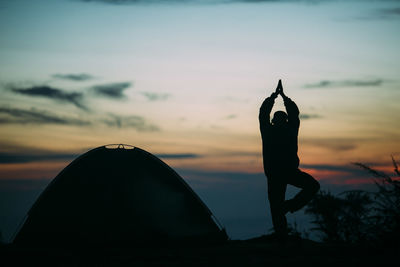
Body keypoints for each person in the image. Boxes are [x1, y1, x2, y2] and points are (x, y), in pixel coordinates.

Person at [259, 79, 320, 238]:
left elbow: (264, 113)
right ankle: (282, 235)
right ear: (276, 121)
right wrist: (281, 97)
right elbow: (292, 114)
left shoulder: (279, 130)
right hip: (278, 174)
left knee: (278, 207)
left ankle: (286, 212)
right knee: (278, 207)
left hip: (283, 172)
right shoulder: (281, 130)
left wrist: (276, 97)